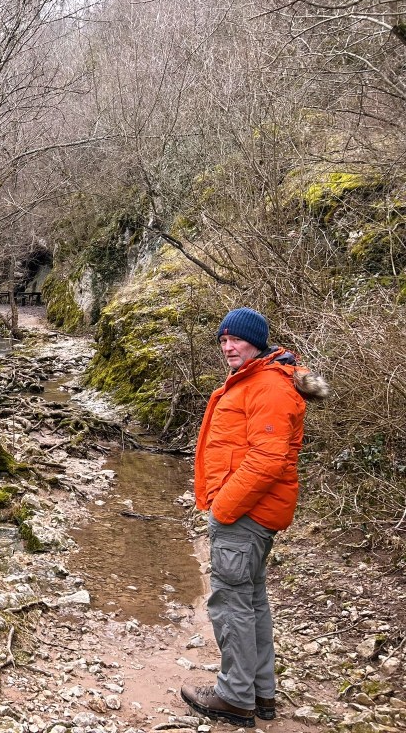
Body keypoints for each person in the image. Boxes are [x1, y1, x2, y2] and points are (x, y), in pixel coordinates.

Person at [182, 307, 328, 727]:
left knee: (231, 605)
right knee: (250, 601)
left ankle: (234, 697)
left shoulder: (267, 386)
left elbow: (267, 460)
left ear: (257, 343)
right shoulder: (258, 379)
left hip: (245, 514)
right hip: (251, 512)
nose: (228, 346)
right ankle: (260, 693)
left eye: (237, 339)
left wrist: (224, 507)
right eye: (223, 340)